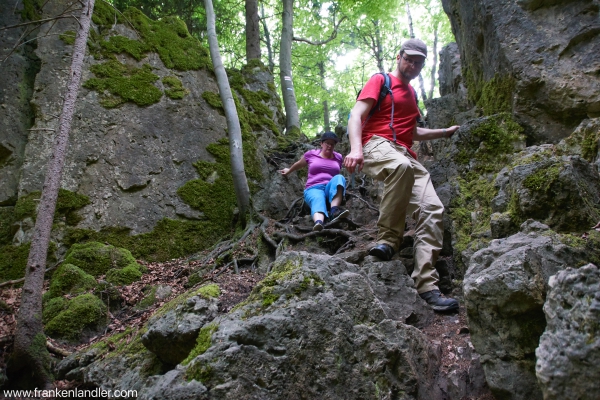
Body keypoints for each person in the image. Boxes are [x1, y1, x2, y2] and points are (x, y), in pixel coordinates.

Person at [343, 38, 460, 312]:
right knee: (400, 167)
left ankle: (427, 286)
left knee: (432, 208)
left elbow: (413, 132)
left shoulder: (412, 96)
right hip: (376, 144)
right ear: (399, 57)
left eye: (419, 62)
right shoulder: (380, 81)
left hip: (405, 152)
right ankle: (387, 239)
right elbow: (356, 114)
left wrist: (444, 132)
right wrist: (356, 148)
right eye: (409, 59)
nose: (413, 65)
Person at [279, 132, 350, 231]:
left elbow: (347, 168)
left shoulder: (338, 157)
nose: (330, 146)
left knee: (339, 178)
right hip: (313, 188)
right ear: (321, 143)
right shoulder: (311, 154)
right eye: (327, 143)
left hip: (330, 189)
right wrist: (289, 171)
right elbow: (299, 164)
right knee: (318, 198)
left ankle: (334, 211)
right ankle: (319, 223)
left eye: (332, 144)